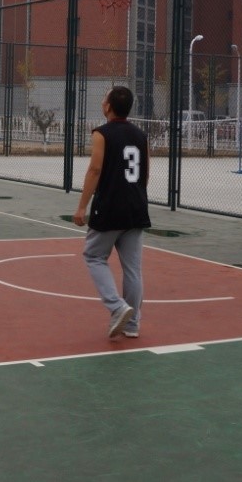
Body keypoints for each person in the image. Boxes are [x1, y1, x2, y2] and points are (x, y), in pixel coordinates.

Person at [73, 86, 151, 339]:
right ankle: (133, 324)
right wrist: (136, 197)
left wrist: (82, 206)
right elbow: (146, 173)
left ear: (108, 106)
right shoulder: (141, 135)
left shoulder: (102, 134)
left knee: (94, 255)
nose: (102, 102)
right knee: (133, 269)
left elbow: (95, 170)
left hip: (110, 206)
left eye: (104, 98)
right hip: (136, 206)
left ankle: (117, 307)